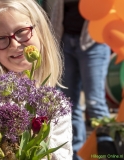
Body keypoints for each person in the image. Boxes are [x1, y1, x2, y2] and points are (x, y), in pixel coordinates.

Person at [0, 0, 73, 159]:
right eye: (1, 38)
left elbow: (62, 154)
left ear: (40, 30)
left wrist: (39, 139)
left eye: (21, 31)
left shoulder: (56, 104)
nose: (14, 44)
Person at [49, 0, 111, 159]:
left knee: (95, 102)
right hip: (64, 41)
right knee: (69, 104)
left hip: (94, 42)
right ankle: (76, 154)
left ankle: (109, 152)